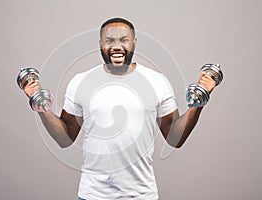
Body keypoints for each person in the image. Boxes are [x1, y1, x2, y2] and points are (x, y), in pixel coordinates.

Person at [23, 18, 216, 200]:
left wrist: (197, 104)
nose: (116, 46)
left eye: (124, 40)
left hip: (141, 196)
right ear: (100, 44)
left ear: (134, 43)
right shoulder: (80, 82)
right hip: (93, 195)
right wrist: (42, 107)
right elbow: (64, 138)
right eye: (109, 40)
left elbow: (175, 138)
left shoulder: (157, 82)